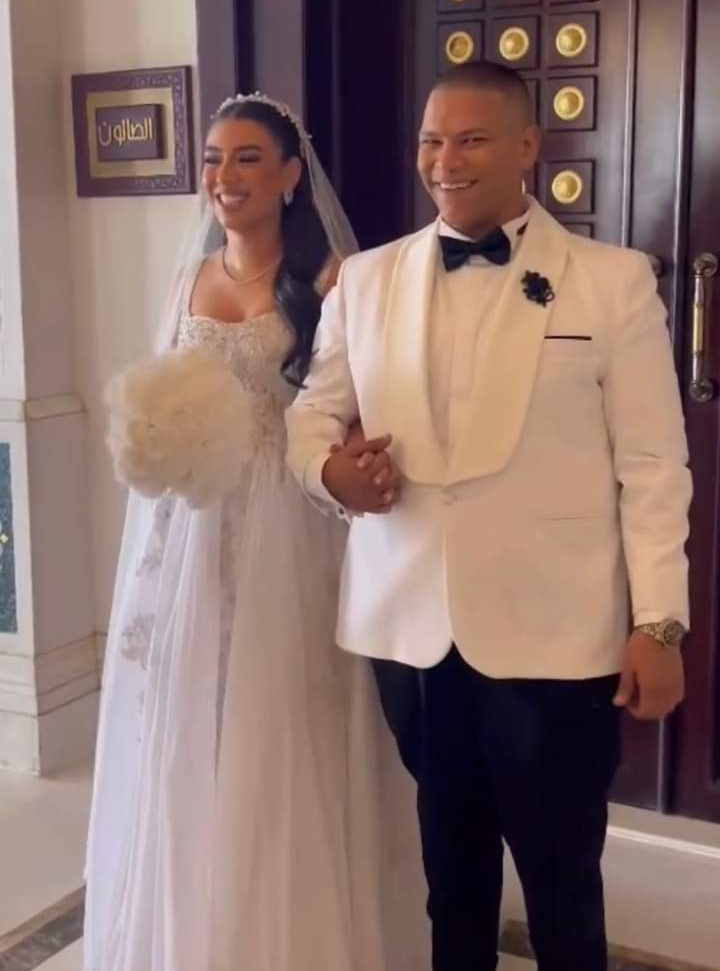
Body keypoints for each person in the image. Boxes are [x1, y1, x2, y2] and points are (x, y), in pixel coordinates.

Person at [286, 61, 691, 971]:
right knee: (450, 871)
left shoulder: (613, 282)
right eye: (432, 140)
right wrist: (330, 472)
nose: (446, 160)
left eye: (470, 139)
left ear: (526, 146)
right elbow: (312, 413)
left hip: (556, 634)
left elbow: (653, 466)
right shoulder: (366, 280)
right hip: (409, 630)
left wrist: (660, 621)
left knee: (562, 883)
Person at [83, 92, 426, 971]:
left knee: (280, 717)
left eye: (245, 158)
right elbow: (163, 387)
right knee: (189, 711)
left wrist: (349, 458)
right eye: (211, 158)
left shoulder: (330, 280)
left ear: (289, 175)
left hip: (293, 524)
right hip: (193, 528)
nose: (223, 177)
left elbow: (356, 406)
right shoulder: (191, 277)